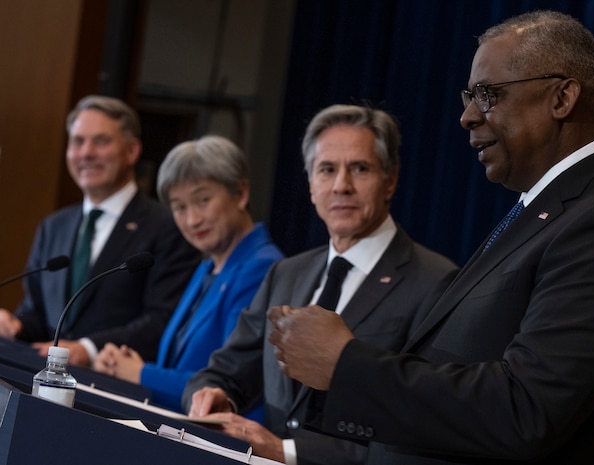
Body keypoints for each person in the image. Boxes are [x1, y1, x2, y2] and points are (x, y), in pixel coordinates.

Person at [267, 11, 594, 465]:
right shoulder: (547, 209)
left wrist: (345, 365)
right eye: (469, 96)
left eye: (488, 95)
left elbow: (526, 410)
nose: (467, 117)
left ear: (562, 97)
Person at [183, 104, 458, 464]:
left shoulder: (436, 282)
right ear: (311, 184)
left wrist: (289, 452)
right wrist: (212, 395)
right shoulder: (286, 274)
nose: (341, 186)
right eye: (327, 170)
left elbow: (421, 430)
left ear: (389, 180)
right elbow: (224, 370)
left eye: (359, 169)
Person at [0, 95, 200, 367]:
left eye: (101, 141)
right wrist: (16, 326)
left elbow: (164, 319)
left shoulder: (167, 226)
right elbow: (37, 315)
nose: (86, 153)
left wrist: (88, 349)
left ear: (132, 151)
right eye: (78, 141)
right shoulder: (53, 226)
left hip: (112, 390)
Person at [93, 135, 284, 414]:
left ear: (241, 193)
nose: (192, 219)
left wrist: (140, 373)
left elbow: (227, 386)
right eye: (179, 207)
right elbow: (183, 366)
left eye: (203, 200)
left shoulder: (263, 268)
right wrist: (130, 365)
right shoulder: (208, 266)